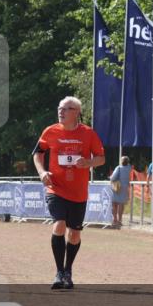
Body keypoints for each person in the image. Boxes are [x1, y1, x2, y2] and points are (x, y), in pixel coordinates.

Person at [33, 96, 105, 289]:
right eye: (59, 108)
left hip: (78, 192)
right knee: (59, 225)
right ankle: (58, 272)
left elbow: (101, 158)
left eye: (65, 109)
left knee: (74, 235)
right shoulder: (50, 131)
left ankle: (68, 271)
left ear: (76, 112)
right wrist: (42, 172)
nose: (60, 111)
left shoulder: (88, 134)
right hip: (55, 188)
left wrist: (88, 163)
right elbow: (37, 153)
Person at [109, 156, 132, 228]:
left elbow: (113, 178)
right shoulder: (129, 168)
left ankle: (115, 219)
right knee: (121, 204)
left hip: (117, 187)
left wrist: (110, 178)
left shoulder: (118, 168)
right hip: (125, 187)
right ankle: (120, 220)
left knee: (114, 204)